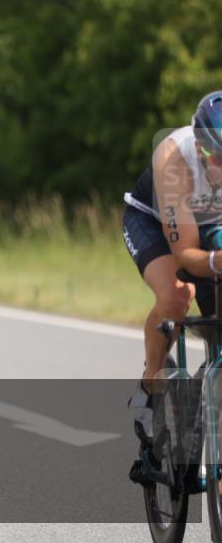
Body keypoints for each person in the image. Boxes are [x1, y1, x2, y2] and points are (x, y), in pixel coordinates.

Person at [124, 89, 222, 442]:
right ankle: (151, 387)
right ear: (201, 149)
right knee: (176, 295)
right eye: (219, 159)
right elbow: (186, 256)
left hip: (212, 226)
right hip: (155, 223)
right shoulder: (174, 158)